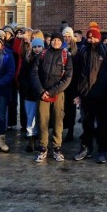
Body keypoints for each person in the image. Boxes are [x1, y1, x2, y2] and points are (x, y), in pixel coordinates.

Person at [74, 23, 107, 164]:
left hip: (102, 94)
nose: (92, 40)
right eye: (90, 38)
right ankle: (86, 148)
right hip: (86, 94)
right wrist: (78, 93)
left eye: (94, 38)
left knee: (103, 124)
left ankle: (102, 150)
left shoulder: (106, 51)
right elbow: (77, 73)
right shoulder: (83, 51)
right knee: (87, 124)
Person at [31, 32, 73, 163]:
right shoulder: (43, 54)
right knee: (43, 121)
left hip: (58, 93)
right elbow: (34, 73)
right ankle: (43, 147)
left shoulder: (66, 56)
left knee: (57, 120)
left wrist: (53, 91)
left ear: (62, 42)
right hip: (43, 93)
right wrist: (41, 90)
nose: (56, 42)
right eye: (54, 40)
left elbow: (68, 77)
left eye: (58, 40)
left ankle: (57, 148)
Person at [22, 38, 44, 152]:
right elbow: (23, 76)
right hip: (30, 93)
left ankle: (42, 139)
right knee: (31, 117)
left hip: (42, 93)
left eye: (39, 46)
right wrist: (25, 88)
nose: (37, 49)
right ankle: (31, 138)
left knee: (42, 118)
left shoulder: (45, 58)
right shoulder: (28, 59)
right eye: (35, 47)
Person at [61, 26, 79, 142]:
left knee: (71, 108)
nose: (67, 38)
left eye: (68, 36)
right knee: (61, 107)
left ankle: (71, 130)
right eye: (65, 36)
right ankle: (61, 128)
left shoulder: (76, 49)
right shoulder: (60, 47)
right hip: (62, 82)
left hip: (72, 82)